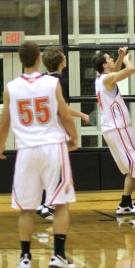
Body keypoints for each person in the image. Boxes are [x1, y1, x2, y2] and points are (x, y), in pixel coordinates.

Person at [0, 41, 78, 268]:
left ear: (22, 59)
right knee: (60, 204)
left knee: (27, 208)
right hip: (53, 146)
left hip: (26, 151)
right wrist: (73, 137)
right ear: (38, 58)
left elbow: (4, 122)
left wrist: (1, 146)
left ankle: (25, 257)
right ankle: (59, 255)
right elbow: (64, 114)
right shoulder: (52, 83)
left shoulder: (11, 87)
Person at [94, 47, 135, 216]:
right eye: (109, 58)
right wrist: (129, 58)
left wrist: (121, 55)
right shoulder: (108, 79)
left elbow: (115, 71)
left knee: (133, 168)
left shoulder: (100, 79)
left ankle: (125, 202)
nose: (112, 60)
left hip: (114, 130)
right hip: (119, 129)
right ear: (104, 64)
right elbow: (130, 70)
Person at [36, 45, 90, 221]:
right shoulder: (60, 81)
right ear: (60, 61)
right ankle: (48, 205)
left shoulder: (41, 79)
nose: (66, 59)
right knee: (57, 169)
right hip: (54, 129)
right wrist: (81, 115)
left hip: (40, 129)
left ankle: (42, 202)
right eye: (64, 57)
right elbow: (64, 108)